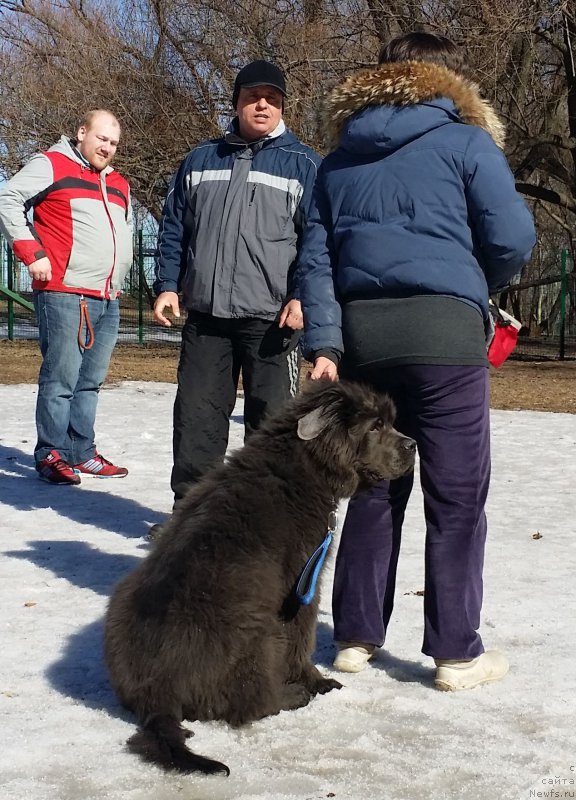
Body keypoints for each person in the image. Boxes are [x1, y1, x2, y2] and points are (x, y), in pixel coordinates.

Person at [298, 33, 536, 690]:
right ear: (443, 77)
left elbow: (315, 263)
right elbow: (514, 235)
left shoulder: (336, 161)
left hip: (364, 338)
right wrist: (470, 281)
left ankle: (353, 638)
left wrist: (325, 343)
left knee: (375, 485)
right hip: (446, 336)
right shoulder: (466, 143)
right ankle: (456, 653)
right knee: (457, 495)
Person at [153, 60, 321, 524]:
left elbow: (318, 243)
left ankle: (269, 523)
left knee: (273, 430)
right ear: (237, 102)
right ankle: (191, 520)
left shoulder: (304, 165)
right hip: (206, 320)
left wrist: (303, 296)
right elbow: (173, 230)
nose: (262, 104)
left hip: (272, 323)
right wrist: (168, 284)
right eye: (252, 96)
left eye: (272, 97)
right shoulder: (201, 159)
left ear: (283, 105)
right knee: (197, 425)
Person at [0, 110, 133, 485]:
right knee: (61, 379)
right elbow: (8, 199)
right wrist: (32, 251)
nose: (107, 147)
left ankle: (82, 451)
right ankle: (51, 453)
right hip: (64, 292)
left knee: (90, 381)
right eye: (101, 138)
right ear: (81, 133)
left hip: (107, 297)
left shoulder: (119, 183)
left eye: (113, 143)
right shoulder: (52, 164)